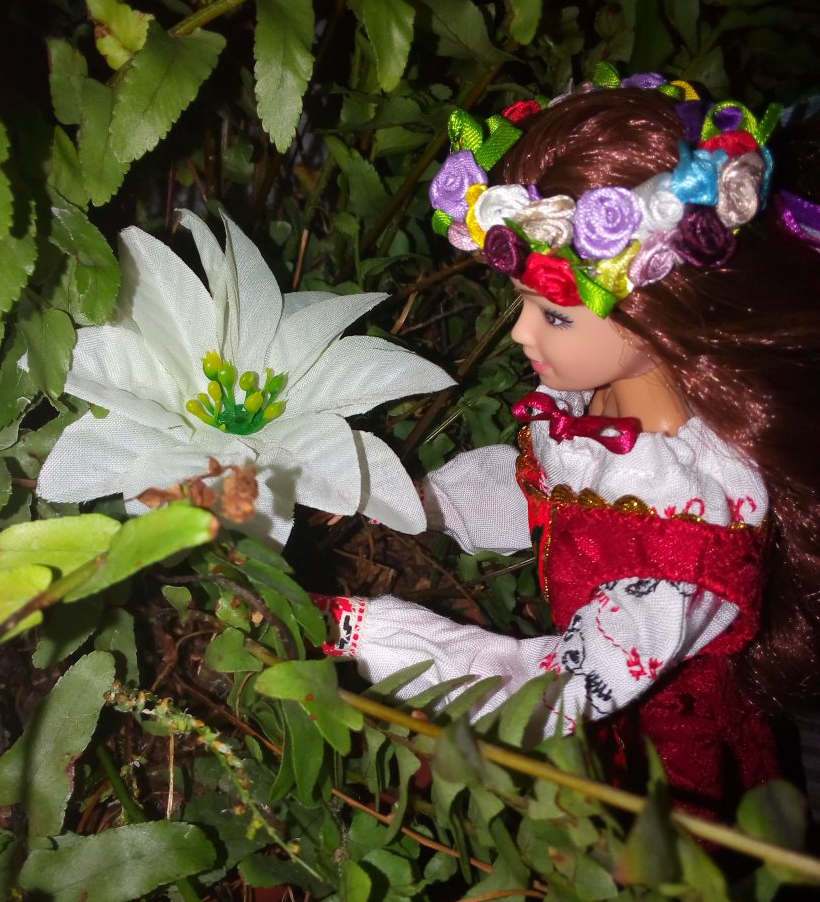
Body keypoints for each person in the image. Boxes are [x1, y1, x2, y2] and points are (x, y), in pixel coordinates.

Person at [316, 65, 820, 817]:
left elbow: (556, 686)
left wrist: (366, 634)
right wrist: (415, 502)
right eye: (523, 304)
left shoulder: (691, 530)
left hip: (669, 773)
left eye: (553, 315)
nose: (521, 332)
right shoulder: (601, 408)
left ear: (657, 314)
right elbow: (545, 495)